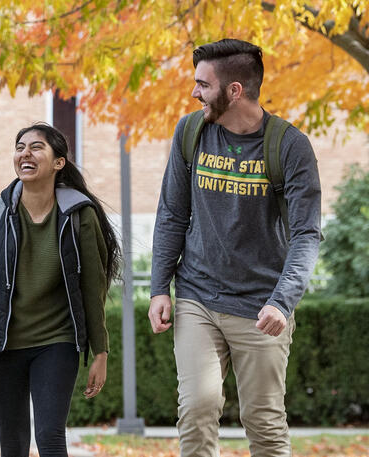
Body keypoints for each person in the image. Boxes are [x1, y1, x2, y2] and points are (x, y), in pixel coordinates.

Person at [148, 38, 323, 457]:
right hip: (198, 297)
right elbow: (172, 213)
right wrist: (159, 287)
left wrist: (282, 302)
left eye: (203, 84)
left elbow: (306, 234)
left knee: (263, 421)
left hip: (261, 306)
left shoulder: (288, 146)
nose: (194, 93)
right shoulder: (191, 132)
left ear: (234, 90)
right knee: (197, 408)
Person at [0, 123, 120, 457]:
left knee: (50, 437)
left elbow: (92, 288)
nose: (25, 154)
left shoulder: (79, 215)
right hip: (1, 344)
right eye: (20, 147)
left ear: (58, 162)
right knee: (14, 442)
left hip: (56, 342)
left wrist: (100, 352)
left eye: (36, 147)